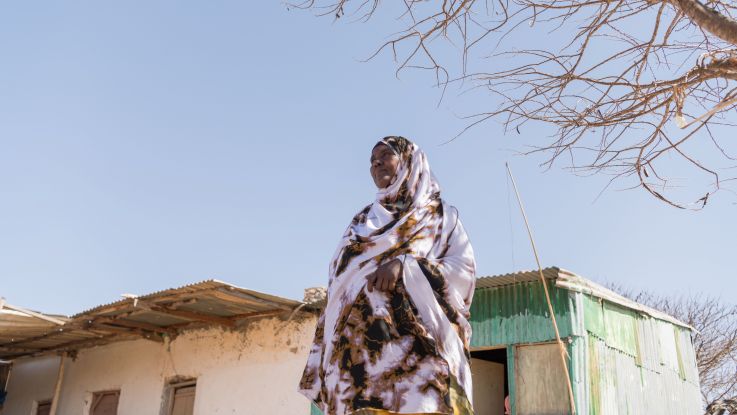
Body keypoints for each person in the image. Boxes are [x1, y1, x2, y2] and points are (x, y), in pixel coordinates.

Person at [299, 136, 476, 415]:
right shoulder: (360, 223)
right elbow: (339, 282)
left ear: (408, 161)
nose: (376, 163)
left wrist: (406, 266)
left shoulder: (441, 218)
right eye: (371, 160)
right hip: (358, 369)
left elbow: (463, 276)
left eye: (385, 154)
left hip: (421, 362)